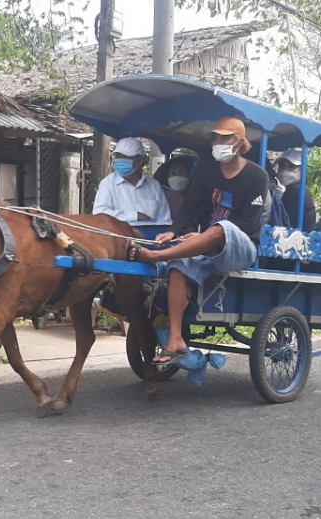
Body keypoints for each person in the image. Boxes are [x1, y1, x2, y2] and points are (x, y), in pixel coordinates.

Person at [129, 117, 267, 367]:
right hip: (208, 243)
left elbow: (247, 226)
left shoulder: (257, 176)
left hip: (241, 247)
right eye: (216, 138)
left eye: (225, 138)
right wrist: (174, 232)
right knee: (178, 265)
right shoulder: (205, 170)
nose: (218, 143)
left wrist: (205, 237)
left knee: (221, 228)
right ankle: (176, 340)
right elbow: (190, 208)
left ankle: (157, 257)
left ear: (240, 142)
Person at [92, 137, 171, 223]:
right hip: (118, 234)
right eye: (118, 156)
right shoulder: (107, 184)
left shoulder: (154, 186)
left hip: (151, 235)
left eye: (127, 157)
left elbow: (165, 219)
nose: (121, 160)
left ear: (141, 160)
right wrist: (135, 216)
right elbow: (99, 213)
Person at [271, 149, 316, 229]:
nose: (285, 170)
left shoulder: (295, 192)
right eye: (282, 166)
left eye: (291, 167)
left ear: (301, 170)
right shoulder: (293, 189)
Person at [152, 153, 198, 223]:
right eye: (173, 173)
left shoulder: (195, 195)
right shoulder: (162, 194)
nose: (177, 176)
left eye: (182, 173)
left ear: (189, 176)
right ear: (167, 177)